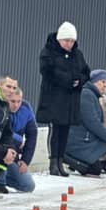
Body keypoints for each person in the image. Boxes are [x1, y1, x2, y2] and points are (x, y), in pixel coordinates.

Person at [37, 21, 90, 177]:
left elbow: (86, 72)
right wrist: (68, 80)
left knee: (65, 131)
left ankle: (60, 160)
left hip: (70, 101)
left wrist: (79, 80)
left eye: (72, 41)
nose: (69, 44)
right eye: (67, 41)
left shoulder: (77, 54)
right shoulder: (48, 52)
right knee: (56, 129)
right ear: (60, 39)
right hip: (53, 99)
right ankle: (53, 162)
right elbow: (47, 71)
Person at [64, 69, 106, 176]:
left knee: (98, 167)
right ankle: (68, 158)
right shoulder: (86, 94)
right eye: (102, 82)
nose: (105, 85)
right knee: (94, 170)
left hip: (85, 138)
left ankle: (81, 161)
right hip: (79, 140)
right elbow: (91, 121)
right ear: (94, 82)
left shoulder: (91, 95)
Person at [0, 87, 37, 193]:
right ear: (6, 99)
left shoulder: (26, 109)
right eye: (13, 101)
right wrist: (18, 140)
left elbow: (32, 135)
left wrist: (25, 161)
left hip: (12, 156)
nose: (16, 105)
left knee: (28, 186)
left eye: (19, 101)